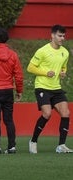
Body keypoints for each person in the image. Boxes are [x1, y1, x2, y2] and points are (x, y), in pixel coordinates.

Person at [27, 24, 72, 154]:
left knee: (66, 113)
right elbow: (30, 67)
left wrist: (63, 72)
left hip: (56, 88)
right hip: (42, 87)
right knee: (47, 114)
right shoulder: (42, 51)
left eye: (63, 36)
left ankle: (61, 145)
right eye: (59, 35)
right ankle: (33, 141)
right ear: (52, 36)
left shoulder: (65, 52)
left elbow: (63, 67)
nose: (62, 38)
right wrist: (46, 72)